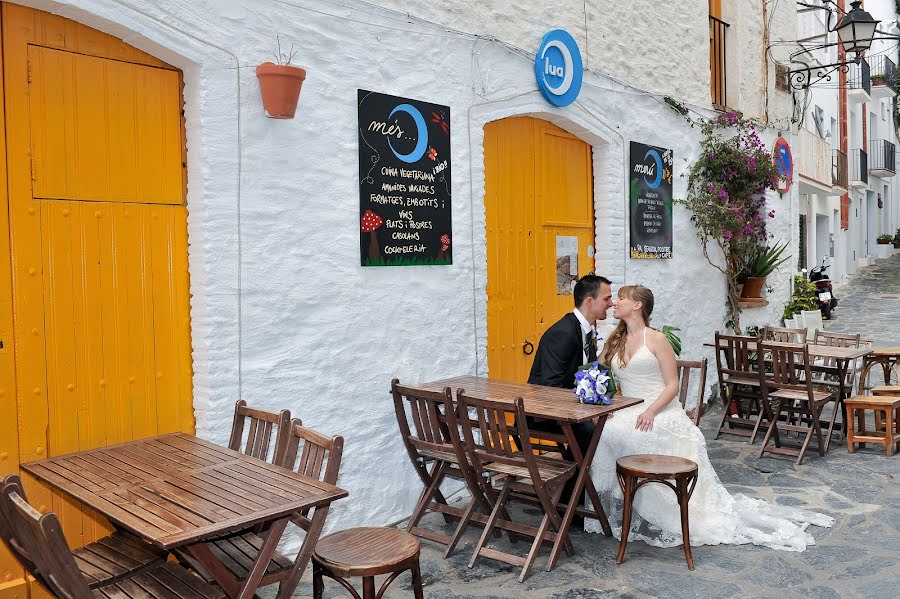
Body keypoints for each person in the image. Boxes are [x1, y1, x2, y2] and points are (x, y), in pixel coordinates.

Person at [585, 285, 833, 551]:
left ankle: (657, 506)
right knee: (607, 431)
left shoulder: (656, 339)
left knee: (635, 433)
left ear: (637, 306)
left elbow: (671, 385)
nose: (615, 303)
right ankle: (624, 506)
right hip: (628, 407)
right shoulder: (615, 340)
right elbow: (595, 374)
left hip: (658, 409)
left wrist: (650, 411)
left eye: (621, 298)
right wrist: (602, 402)